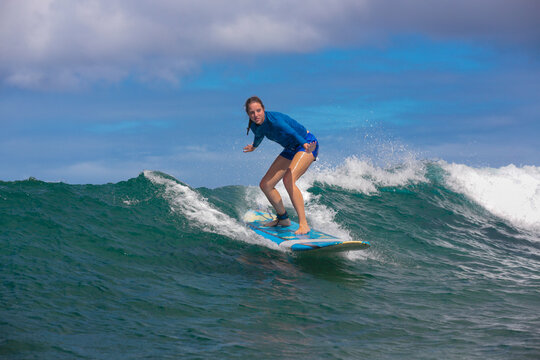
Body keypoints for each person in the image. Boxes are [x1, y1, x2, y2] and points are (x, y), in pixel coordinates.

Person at [243, 96, 319, 235]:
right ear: (248, 114)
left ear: (264, 109)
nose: (256, 115)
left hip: (307, 143)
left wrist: (306, 145)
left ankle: (304, 224)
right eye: (252, 113)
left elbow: (293, 133)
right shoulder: (255, 126)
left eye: (258, 111)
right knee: (265, 184)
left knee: (289, 179)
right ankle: (283, 218)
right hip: (291, 149)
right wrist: (254, 147)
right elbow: (259, 135)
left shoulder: (276, 121)